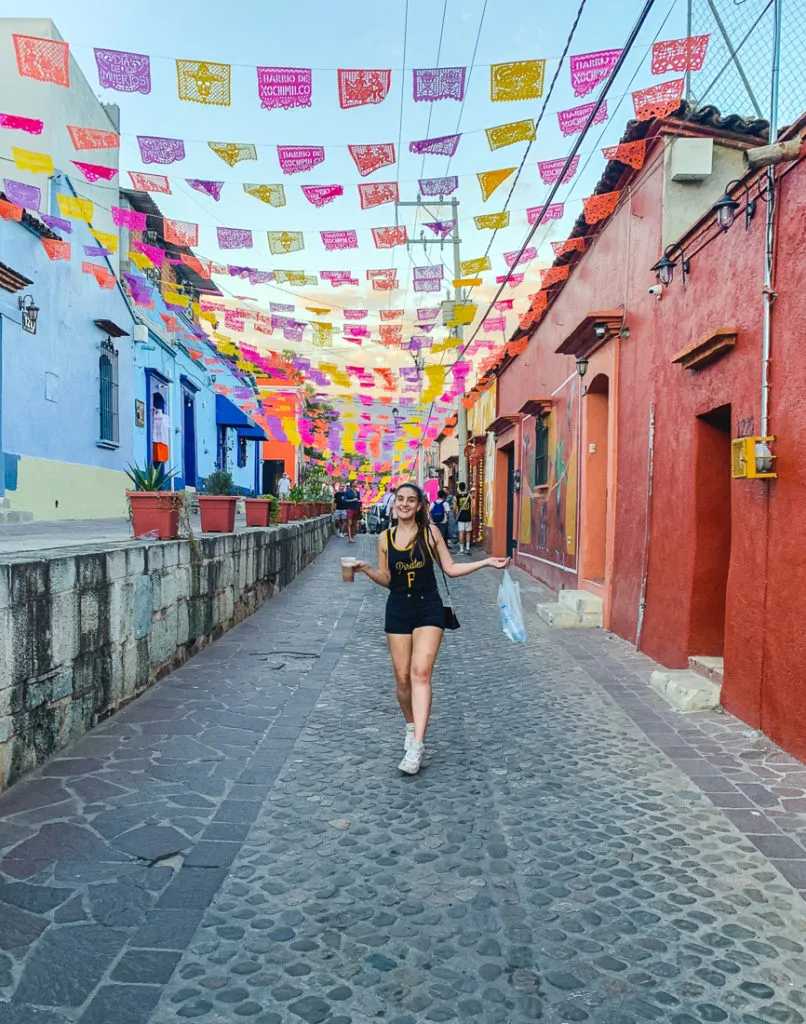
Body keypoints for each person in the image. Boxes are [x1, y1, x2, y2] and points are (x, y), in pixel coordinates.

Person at [355, 483, 510, 775]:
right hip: (398, 608)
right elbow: (388, 578)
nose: (404, 504)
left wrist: (487, 562)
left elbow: (450, 568)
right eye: (400, 499)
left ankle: (417, 745)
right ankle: (410, 724)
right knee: (402, 681)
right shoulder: (384, 538)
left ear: (419, 505)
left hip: (429, 607)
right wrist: (365, 570)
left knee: (420, 674)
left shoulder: (430, 533)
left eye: (410, 500)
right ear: (394, 504)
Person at [456, 481, 473, 554]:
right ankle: (468, 548)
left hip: (460, 516)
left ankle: (461, 549)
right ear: (465, 488)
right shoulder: (469, 496)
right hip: (468, 516)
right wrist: (472, 515)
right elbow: (472, 506)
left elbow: (454, 508)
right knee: (468, 532)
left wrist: (455, 514)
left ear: (459, 488)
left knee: (461, 532)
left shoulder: (456, 497)